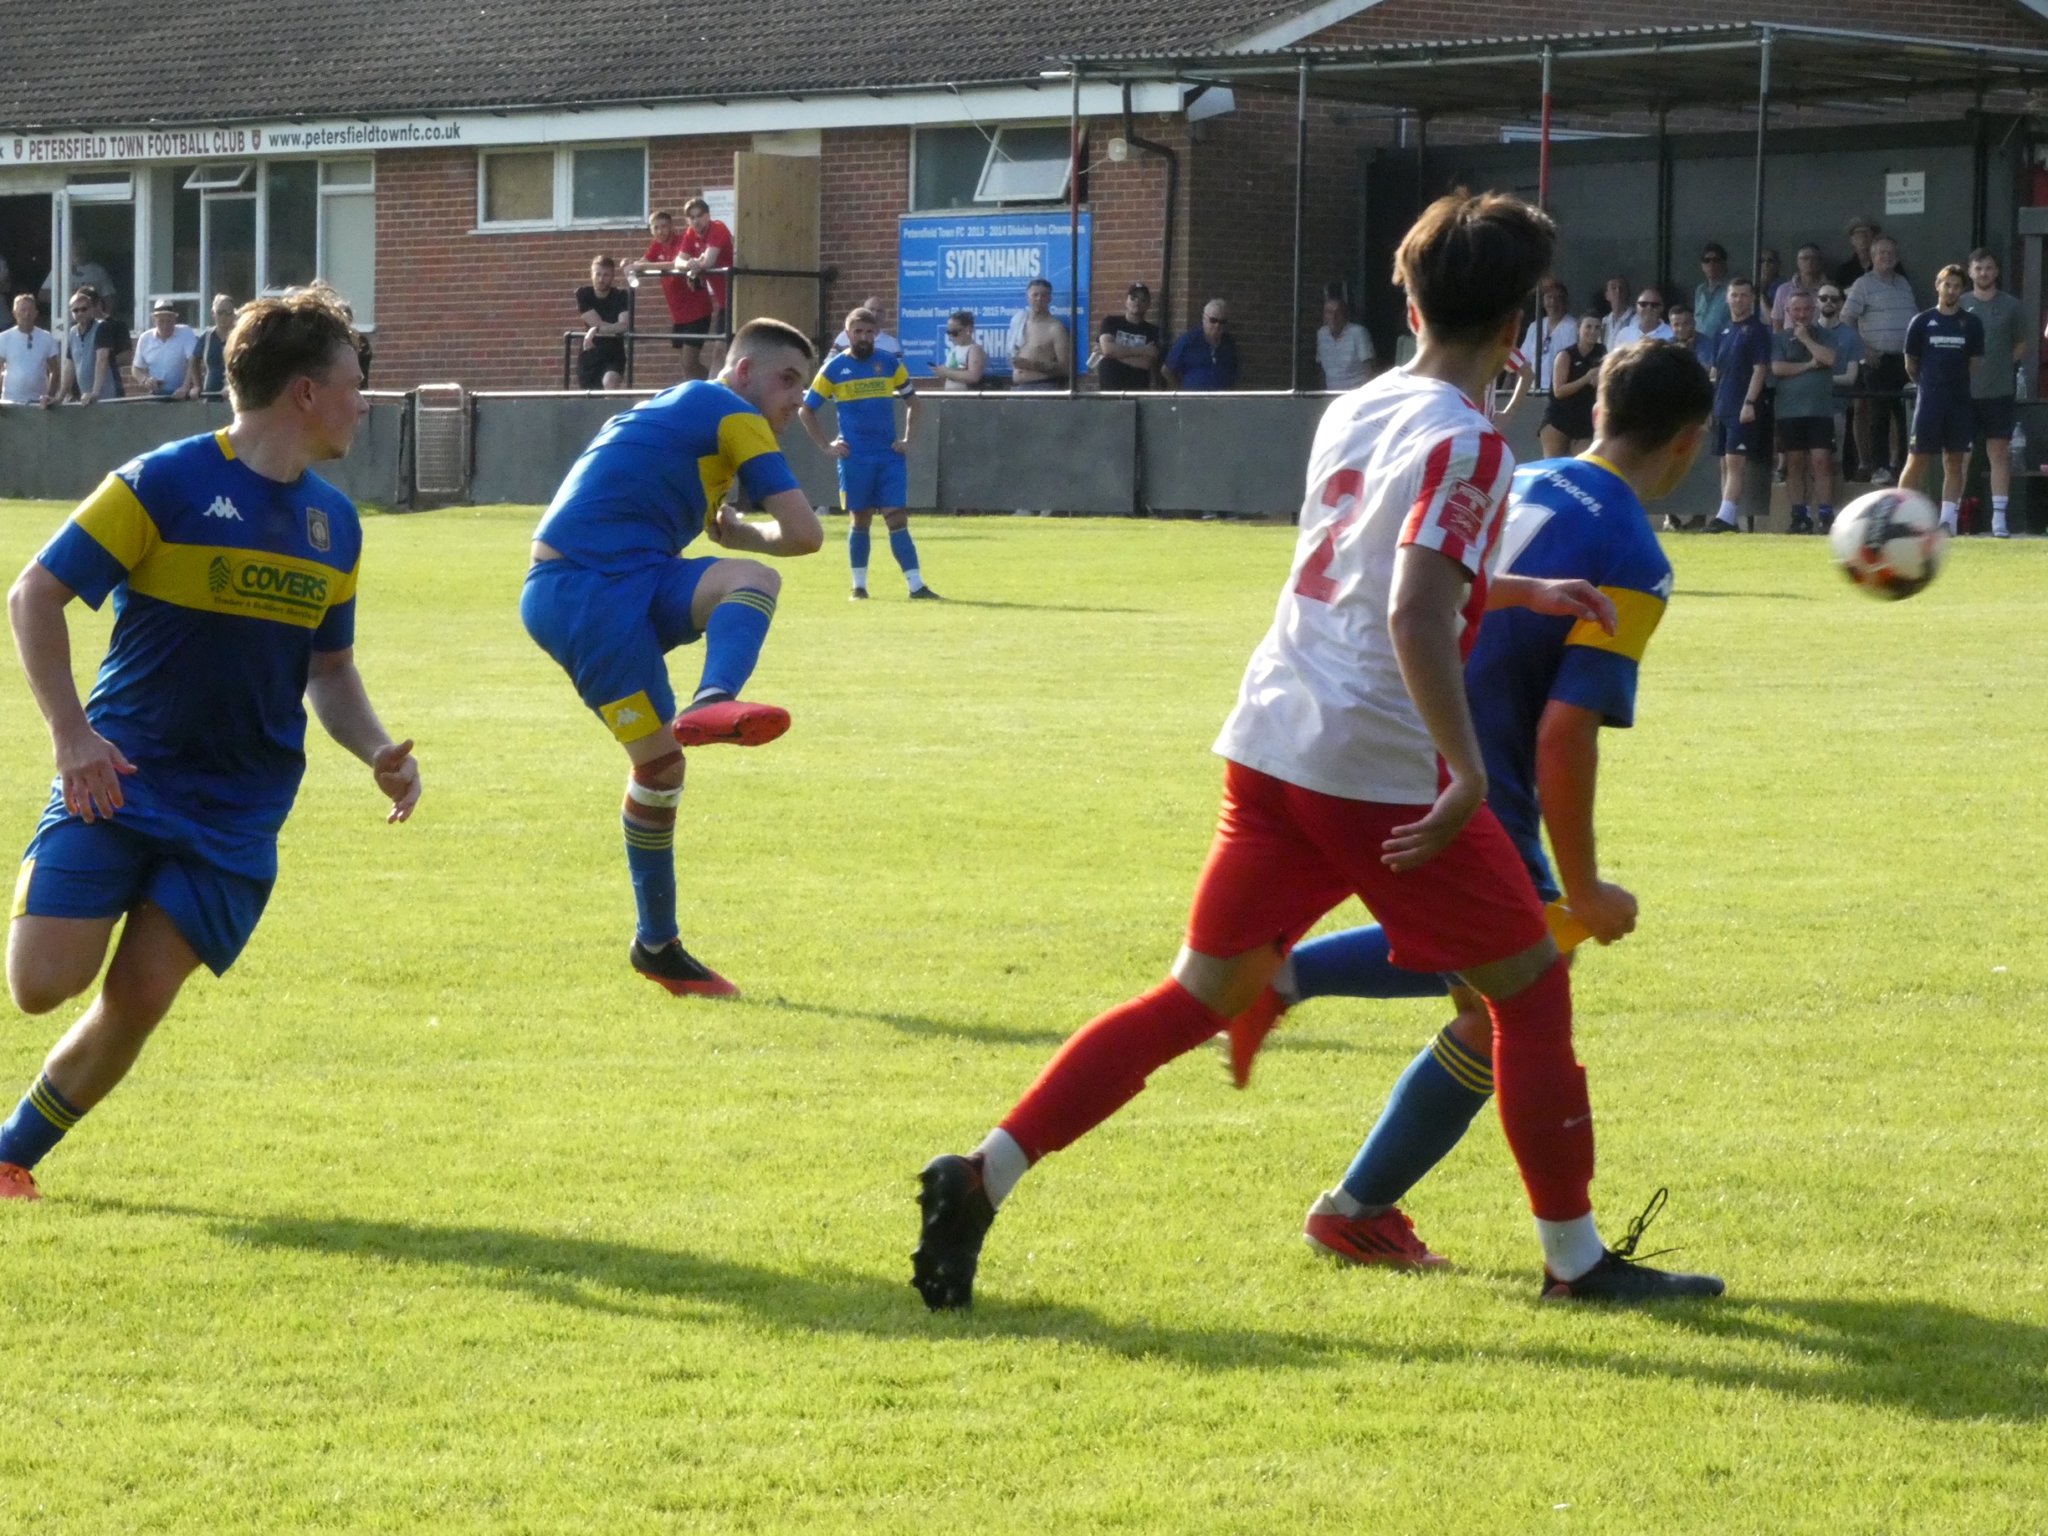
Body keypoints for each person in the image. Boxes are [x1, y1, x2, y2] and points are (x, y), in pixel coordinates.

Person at [910, 191, 1723, 1312]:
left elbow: (1374, 568)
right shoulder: (1471, 438)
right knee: (1527, 995)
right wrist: (1470, 774)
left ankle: (980, 1173)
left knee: (1194, 994)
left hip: (1270, 739)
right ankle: (1575, 1264)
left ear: (1405, 293)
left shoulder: (1360, 407)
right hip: (1372, 760)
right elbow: (1407, 612)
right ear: (1525, 318)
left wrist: (1517, 586)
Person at [1223, 342, 1713, 1268]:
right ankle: (1534, 1250)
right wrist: (1588, 886)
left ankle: (1354, 1198)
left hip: (1387, 740)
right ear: (1689, 444)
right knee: (1523, 975)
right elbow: (1565, 733)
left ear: (1596, 406)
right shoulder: (1633, 556)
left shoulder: (1520, 470)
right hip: (1476, 776)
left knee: (1485, 989)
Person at [1, 285, 421, 1202]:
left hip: (239, 805)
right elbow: (33, 595)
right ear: (306, 392)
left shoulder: (336, 525)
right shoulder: (165, 481)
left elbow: (330, 671)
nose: (366, 397)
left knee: (141, 997)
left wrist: (378, 751)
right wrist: (73, 738)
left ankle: (10, 1153)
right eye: (357, 378)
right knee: (41, 983)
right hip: (122, 776)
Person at [521, 319, 824, 999]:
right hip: (582, 596)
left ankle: (657, 944)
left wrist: (739, 530)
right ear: (743, 371)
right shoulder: (727, 410)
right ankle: (657, 942)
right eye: (787, 380)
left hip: (625, 578)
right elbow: (806, 533)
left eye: (804, 388)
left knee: (748, 586)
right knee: (659, 767)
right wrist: (749, 528)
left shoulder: (680, 408)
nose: (794, 401)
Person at [800, 306, 935, 602]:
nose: (863, 337)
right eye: (857, 331)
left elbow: (914, 402)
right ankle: (858, 587)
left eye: (868, 332)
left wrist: (908, 440)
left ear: (876, 334)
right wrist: (827, 446)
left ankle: (916, 586)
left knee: (897, 518)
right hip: (855, 457)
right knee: (860, 519)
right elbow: (806, 409)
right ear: (847, 334)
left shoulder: (888, 363)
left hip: (888, 456)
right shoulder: (833, 369)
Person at [1901, 264, 1984, 536]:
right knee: (1918, 460)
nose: (1951, 290)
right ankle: (1899, 517)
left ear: (1962, 290)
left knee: (1955, 461)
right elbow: (1911, 363)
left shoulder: (1971, 324)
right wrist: (1928, 385)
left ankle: (1948, 521)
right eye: (1947, 284)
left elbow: (1975, 363)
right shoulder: (1922, 322)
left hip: (1959, 402)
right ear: (1937, 285)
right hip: (1929, 402)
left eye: (1957, 286)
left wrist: (1955, 385)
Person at [1961, 248, 2027, 538]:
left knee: (1998, 454)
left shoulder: (2012, 305)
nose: (1984, 273)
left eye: (1989, 268)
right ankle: (1950, 516)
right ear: (1970, 272)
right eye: (1978, 268)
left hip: (1999, 392)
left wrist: (2000, 365)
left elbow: (2022, 343)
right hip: (1963, 393)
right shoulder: (1959, 304)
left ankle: (1998, 519)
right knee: (1958, 455)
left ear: (1996, 272)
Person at [1842, 235, 1916, 487]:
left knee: (1905, 416)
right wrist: (1863, 349)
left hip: (1905, 360)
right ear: (1872, 258)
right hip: (1878, 360)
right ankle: (1880, 468)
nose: (1887, 257)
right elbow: (1846, 319)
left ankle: (1904, 467)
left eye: (1891, 252)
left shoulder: (1903, 283)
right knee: (1878, 415)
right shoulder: (1862, 284)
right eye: (1881, 253)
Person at [1703, 276, 1771, 533]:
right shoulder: (1722, 331)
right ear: (1727, 298)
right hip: (1722, 404)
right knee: (1723, 463)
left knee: (1734, 462)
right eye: (1734, 295)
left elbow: (1760, 369)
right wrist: (1711, 407)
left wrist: (1749, 402)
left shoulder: (1756, 330)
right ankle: (1727, 516)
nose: (1738, 300)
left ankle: (1726, 516)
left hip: (1742, 406)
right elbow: (1715, 372)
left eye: (1743, 295)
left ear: (1751, 299)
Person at [1771, 289, 1841, 535]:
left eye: (1806, 309)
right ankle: (1799, 515)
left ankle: (1825, 514)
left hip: (1819, 411)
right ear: (1788, 312)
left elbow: (1830, 359)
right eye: (1796, 310)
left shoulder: (1825, 335)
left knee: (1822, 462)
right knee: (1794, 463)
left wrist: (1806, 341)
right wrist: (1810, 365)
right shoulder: (1779, 338)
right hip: (1789, 411)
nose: (1801, 314)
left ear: (1813, 310)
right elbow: (1778, 368)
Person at [634, 210, 714, 379]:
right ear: (651, 230)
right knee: (685, 366)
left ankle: (716, 388)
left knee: (689, 362)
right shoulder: (656, 245)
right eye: (656, 228)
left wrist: (646, 266)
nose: (660, 231)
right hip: (679, 316)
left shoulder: (682, 241)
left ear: (671, 227)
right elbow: (644, 262)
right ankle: (698, 397)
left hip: (698, 312)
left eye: (664, 226)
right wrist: (631, 264)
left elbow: (675, 264)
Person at [1815, 284, 1865, 510]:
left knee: (1834, 463)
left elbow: (1851, 377)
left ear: (1841, 304)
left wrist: (1818, 379)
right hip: (1806, 408)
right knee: (1807, 463)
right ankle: (1807, 514)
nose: (1828, 302)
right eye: (1823, 298)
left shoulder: (1850, 336)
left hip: (1836, 408)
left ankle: (1832, 513)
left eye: (1833, 299)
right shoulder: (1807, 332)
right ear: (1816, 301)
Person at [676, 197, 735, 373]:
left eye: (699, 216)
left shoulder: (718, 227)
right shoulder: (690, 233)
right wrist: (690, 264)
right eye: (692, 217)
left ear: (708, 215)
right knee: (719, 351)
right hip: (725, 303)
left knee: (721, 350)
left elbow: (708, 261)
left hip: (739, 297)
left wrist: (695, 263)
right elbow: (678, 261)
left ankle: (713, 391)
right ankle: (712, 390)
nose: (696, 221)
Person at [1538, 312, 1603, 459]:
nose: (1592, 331)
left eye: (1597, 327)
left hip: (1584, 421)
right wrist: (1586, 378)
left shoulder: (1602, 352)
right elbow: (1558, 391)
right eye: (1588, 327)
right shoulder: (1566, 355)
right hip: (1559, 420)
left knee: (1581, 468)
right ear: (1579, 328)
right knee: (1554, 469)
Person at [575, 255, 630, 391]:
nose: (601, 279)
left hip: (614, 353)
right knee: (590, 398)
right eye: (597, 274)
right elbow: (596, 323)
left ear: (612, 276)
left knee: (610, 382)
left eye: (606, 275)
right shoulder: (583, 294)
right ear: (591, 274)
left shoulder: (621, 296)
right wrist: (599, 328)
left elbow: (624, 325)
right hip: (590, 352)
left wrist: (595, 330)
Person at [1095, 283, 1162, 391]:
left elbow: (1145, 363)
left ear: (1148, 304)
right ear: (1126, 301)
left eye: (1142, 299)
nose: (1137, 302)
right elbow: (1108, 350)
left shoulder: (1152, 331)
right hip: (1109, 390)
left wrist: (1114, 354)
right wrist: (1142, 350)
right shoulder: (1110, 322)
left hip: (1137, 390)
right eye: (1133, 298)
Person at [131, 300, 200, 400]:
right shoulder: (145, 338)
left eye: (169, 321)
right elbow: (136, 368)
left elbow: (192, 360)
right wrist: (145, 380)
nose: (165, 326)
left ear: (175, 320)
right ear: (154, 320)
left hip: (182, 395)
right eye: (161, 321)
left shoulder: (185, 333)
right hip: (156, 395)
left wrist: (185, 386)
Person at [1008, 278, 1070, 390]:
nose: (1039, 299)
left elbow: (1065, 368)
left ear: (1050, 298)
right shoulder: (1019, 322)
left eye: (1044, 295)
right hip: (1017, 388)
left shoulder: (1055, 328)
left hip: (1043, 387)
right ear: (1028, 297)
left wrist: (1031, 365)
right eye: (1035, 295)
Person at [55, 287, 114, 405]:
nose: (80, 313)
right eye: (75, 310)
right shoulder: (72, 332)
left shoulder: (101, 327)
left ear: (91, 309)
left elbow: (101, 360)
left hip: (106, 397)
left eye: (83, 309)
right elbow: (69, 365)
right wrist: (60, 397)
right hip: (86, 398)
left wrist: (95, 392)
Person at [1163, 300, 1239, 390]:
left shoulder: (1229, 344)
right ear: (1204, 319)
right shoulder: (1189, 341)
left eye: (1222, 322)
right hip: (1193, 400)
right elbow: (1167, 370)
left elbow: (1234, 374)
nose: (1217, 325)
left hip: (1221, 400)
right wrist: (1180, 393)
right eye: (1213, 320)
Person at [0, 293, 60, 407]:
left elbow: (55, 371)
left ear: (36, 313)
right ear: (14, 313)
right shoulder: (3, 338)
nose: (27, 314)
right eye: (22, 310)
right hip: (10, 401)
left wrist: (50, 396)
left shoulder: (47, 338)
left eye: (30, 310)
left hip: (39, 403)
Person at [1316, 291, 1376, 392]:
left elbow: (1370, 368)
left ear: (1345, 314)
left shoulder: (1358, 332)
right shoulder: (1321, 334)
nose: (1333, 317)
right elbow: (1321, 368)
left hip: (1356, 394)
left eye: (1338, 312)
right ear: (1324, 316)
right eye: (1329, 312)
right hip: (1331, 395)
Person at [1521, 279, 1573, 391]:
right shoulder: (1534, 327)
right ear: (1543, 301)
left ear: (1565, 302)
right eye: (1549, 297)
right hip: (1532, 390)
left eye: (1558, 298)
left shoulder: (1572, 327)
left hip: (1557, 391)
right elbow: (1524, 362)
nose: (1553, 302)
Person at [1771, 243, 1828, 331]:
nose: (1809, 262)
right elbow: (1777, 322)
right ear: (1798, 262)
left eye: (1814, 258)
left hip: (1821, 341)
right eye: (1805, 258)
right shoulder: (1783, 289)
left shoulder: (1828, 290)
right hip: (1790, 340)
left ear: (1820, 262)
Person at [928, 309, 987, 391]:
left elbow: (974, 376)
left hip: (966, 397)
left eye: (954, 332)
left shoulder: (974, 349)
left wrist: (947, 372)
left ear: (968, 329)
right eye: (949, 332)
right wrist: (941, 372)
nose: (951, 336)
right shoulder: (954, 349)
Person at [831, 296, 901, 357]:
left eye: (879, 311)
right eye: (871, 309)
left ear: (884, 315)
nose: (875, 314)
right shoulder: (843, 337)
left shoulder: (892, 345)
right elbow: (829, 365)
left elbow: (898, 370)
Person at [196, 294, 236, 399]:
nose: (224, 317)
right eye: (220, 312)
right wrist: (197, 385)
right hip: (210, 395)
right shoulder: (207, 337)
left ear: (234, 314)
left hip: (236, 396)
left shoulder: (240, 336)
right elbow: (193, 359)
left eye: (228, 313)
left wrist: (231, 387)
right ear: (213, 314)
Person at [1693, 245, 1731, 339]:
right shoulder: (1700, 290)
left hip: (1721, 343)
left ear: (1724, 264)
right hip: (1700, 345)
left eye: (1716, 260)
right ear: (1702, 266)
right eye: (1707, 260)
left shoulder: (1731, 290)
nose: (1711, 264)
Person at [1668, 302, 1714, 370]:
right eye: (1676, 325)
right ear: (1671, 327)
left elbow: (1704, 371)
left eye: (1685, 323)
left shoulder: (1708, 345)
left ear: (1694, 323)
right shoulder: (1667, 345)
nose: (1681, 328)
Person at [1598, 275, 1633, 350]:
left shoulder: (1636, 320)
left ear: (1628, 293)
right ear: (1607, 295)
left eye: (1622, 289)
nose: (1618, 291)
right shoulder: (1604, 321)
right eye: (1614, 288)